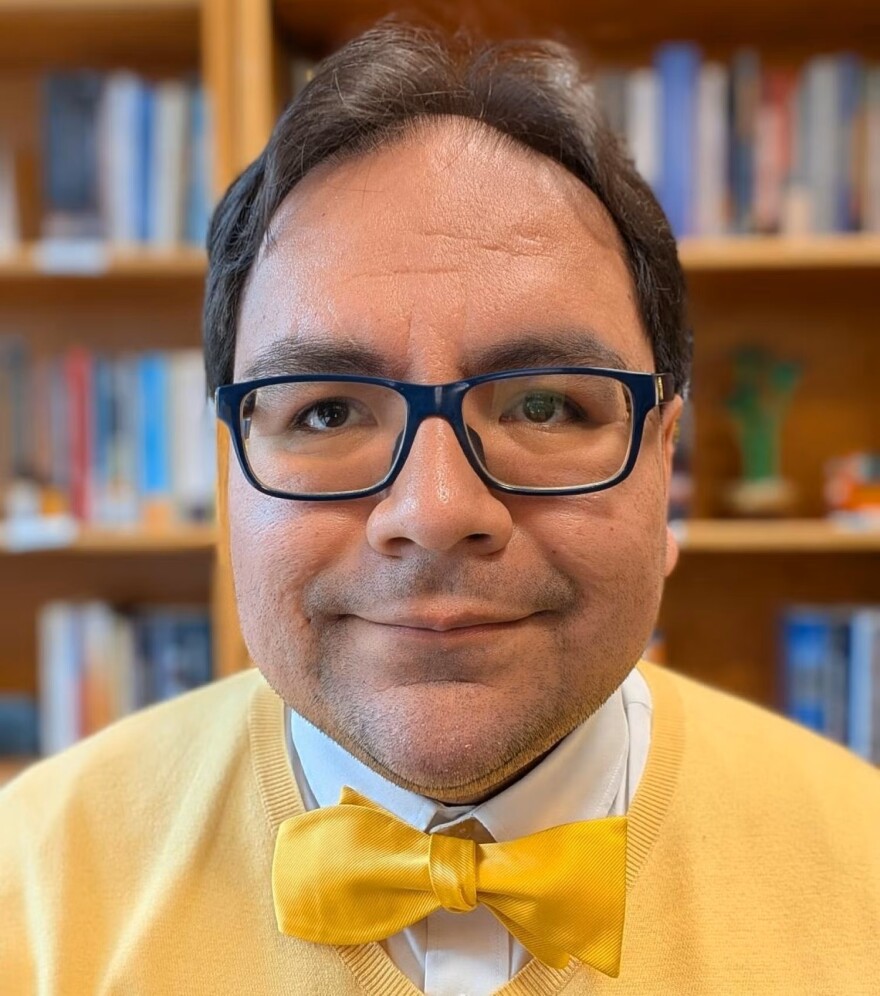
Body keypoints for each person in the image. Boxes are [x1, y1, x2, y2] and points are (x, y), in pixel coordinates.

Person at [2, 20, 878, 996]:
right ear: (227, 483)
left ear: (664, 469)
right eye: (326, 410)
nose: (433, 508)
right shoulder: (23, 892)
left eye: (545, 404)